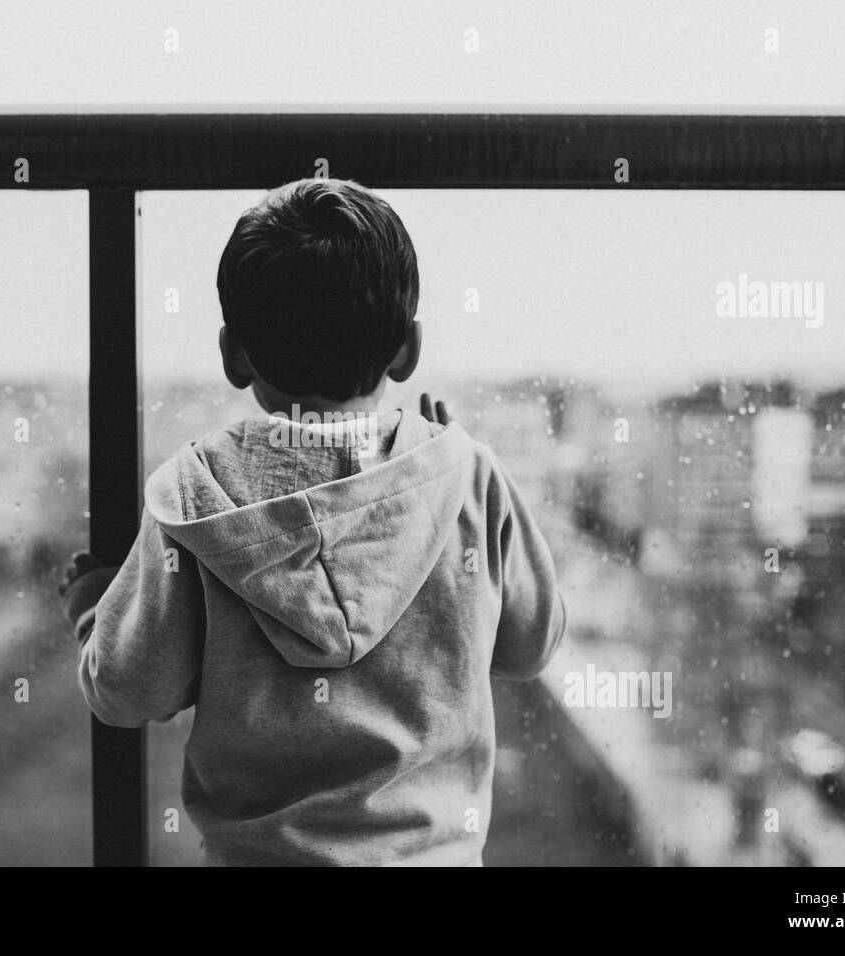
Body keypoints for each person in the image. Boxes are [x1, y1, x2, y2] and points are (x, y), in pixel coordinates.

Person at [59, 178, 565, 865]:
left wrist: (96, 607)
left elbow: (127, 692)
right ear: (408, 350)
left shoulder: (197, 495)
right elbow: (530, 644)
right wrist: (448, 476)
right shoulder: (467, 474)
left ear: (234, 353)